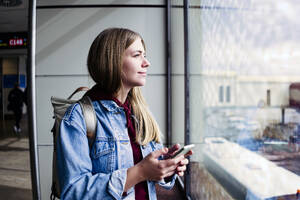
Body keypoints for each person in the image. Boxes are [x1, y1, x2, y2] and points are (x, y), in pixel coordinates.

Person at [56, 27, 192, 200]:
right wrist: (140, 172)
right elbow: (73, 193)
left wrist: (166, 166)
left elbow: (150, 174)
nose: (146, 62)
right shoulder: (78, 117)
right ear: (112, 61)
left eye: (145, 55)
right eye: (137, 55)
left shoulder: (140, 112)